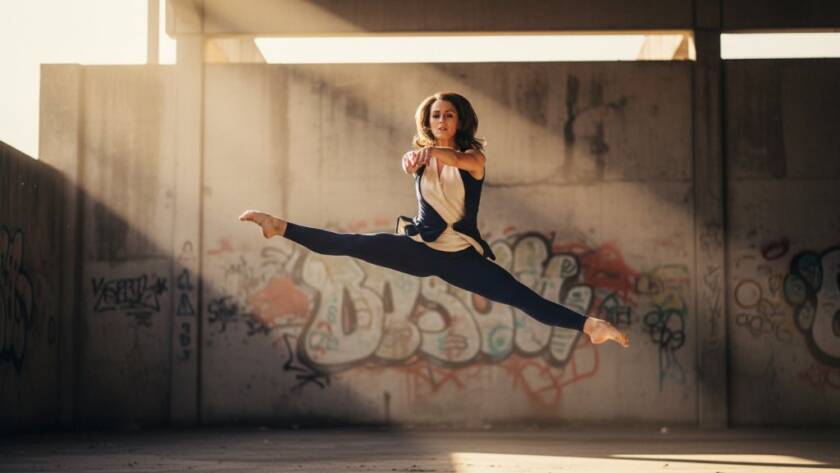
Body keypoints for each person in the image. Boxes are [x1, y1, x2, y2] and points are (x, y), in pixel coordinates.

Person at [239, 92, 630, 347]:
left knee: (520, 297)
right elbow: (411, 159)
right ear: (427, 122)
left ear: (460, 122)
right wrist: (410, 158)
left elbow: (458, 160)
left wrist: (427, 153)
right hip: (421, 249)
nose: (441, 120)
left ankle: (589, 326)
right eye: (435, 116)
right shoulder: (420, 159)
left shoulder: (473, 159)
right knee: (353, 243)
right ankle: (280, 226)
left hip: (461, 257)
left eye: (448, 115)